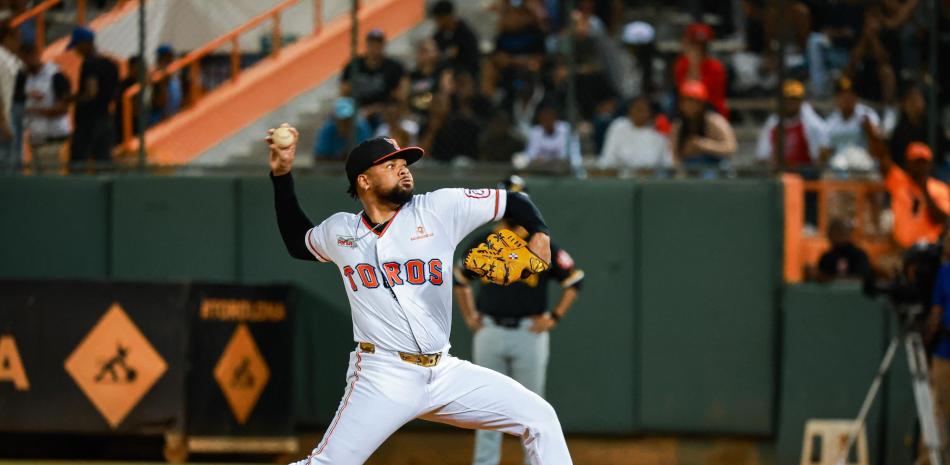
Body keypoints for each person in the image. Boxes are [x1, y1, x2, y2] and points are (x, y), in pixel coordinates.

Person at [267, 127, 573, 465]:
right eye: (390, 164)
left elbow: (513, 200)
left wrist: (540, 234)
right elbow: (298, 242)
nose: (403, 168)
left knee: (540, 419)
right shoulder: (341, 231)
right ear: (364, 181)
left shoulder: (439, 208)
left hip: (444, 372)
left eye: (404, 163)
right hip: (382, 375)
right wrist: (281, 175)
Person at [454, 176, 584, 465]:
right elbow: (459, 278)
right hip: (490, 329)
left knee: (534, 411)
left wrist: (555, 316)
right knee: (484, 408)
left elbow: (574, 280)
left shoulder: (540, 242)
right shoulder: (486, 240)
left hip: (529, 332)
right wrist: (469, 315)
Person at [868, 135, 949, 249]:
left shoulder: (940, 188)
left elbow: (941, 219)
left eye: (923, 162)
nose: (920, 167)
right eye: (916, 162)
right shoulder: (899, 181)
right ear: (908, 163)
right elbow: (882, 159)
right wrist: (872, 135)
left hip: (929, 250)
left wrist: (925, 190)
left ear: (929, 165)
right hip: (902, 249)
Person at [67, 27, 119, 170]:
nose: (76, 50)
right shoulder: (111, 64)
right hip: (106, 117)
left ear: (85, 44)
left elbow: (91, 92)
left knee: (78, 162)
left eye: (77, 45)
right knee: (104, 162)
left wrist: (71, 99)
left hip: (88, 121)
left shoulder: (89, 63)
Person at [16, 42, 70, 173]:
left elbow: (62, 109)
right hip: (35, 141)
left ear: (33, 56)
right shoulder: (25, 78)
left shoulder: (55, 76)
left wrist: (32, 110)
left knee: (52, 182)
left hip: (53, 139)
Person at [756, 79, 829, 168]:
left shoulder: (812, 122)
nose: (791, 103)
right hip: (779, 175)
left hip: (805, 174)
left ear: (801, 101)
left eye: (794, 99)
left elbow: (822, 153)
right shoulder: (773, 123)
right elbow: (762, 156)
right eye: (787, 99)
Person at [669, 80, 736, 175]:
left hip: (715, 165)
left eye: (694, 101)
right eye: (686, 101)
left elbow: (731, 147)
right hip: (689, 168)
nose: (690, 105)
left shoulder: (714, 121)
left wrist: (703, 145)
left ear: (702, 104)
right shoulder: (678, 126)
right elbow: (674, 155)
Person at [340, 29, 405, 119]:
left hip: (384, 112)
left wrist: (375, 109)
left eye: (378, 45)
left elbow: (399, 96)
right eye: (372, 45)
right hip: (357, 111)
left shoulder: (394, 67)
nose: (375, 48)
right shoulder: (354, 66)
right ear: (366, 45)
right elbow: (344, 93)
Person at [599, 96, 672, 173]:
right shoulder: (618, 126)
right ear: (630, 110)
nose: (638, 113)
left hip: (650, 180)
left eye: (643, 110)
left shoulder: (658, 133)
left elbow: (667, 163)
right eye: (636, 109)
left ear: (650, 113)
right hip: (621, 178)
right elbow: (607, 158)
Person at [672, 23, 728, 118]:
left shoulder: (716, 67)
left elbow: (702, 95)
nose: (699, 50)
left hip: (712, 113)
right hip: (685, 113)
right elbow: (684, 93)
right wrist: (692, 66)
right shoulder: (681, 65)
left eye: (702, 46)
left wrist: (695, 66)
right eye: (694, 45)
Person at [824, 76, 880, 171]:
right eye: (843, 94)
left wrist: (870, 131)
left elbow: (878, 146)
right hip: (839, 169)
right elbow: (826, 150)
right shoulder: (831, 121)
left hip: (864, 167)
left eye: (850, 94)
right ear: (837, 98)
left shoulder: (867, 114)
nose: (847, 98)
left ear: (856, 97)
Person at [430, 0, 481, 79]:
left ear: (448, 16)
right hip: (442, 76)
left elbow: (473, 61)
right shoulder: (438, 36)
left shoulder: (466, 34)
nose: (438, 22)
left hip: (465, 76)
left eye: (439, 18)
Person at [523, 103, 581, 170]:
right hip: (540, 168)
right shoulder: (535, 132)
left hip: (560, 169)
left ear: (554, 117)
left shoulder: (565, 129)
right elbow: (531, 155)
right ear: (540, 119)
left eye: (549, 117)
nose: (547, 120)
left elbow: (564, 155)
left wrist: (545, 159)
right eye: (544, 118)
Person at [813, 217, 872, 282]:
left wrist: (830, 279)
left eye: (839, 231)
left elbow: (861, 279)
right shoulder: (827, 257)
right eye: (831, 232)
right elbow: (819, 279)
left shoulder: (858, 255)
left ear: (847, 234)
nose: (832, 236)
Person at [313, 96, 371, 161]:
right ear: (336, 119)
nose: (344, 123)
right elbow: (318, 156)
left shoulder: (362, 128)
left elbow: (368, 157)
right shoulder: (328, 129)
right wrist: (339, 158)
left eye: (347, 120)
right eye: (341, 120)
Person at [889, 85, 929, 169]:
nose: (915, 103)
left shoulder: (932, 128)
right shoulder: (899, 132)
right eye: (911, 99)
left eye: (918, 99)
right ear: (904, 103)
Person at [0, 23, 20, 171]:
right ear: (7, 38)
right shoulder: (3, 60)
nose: (19, 43)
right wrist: (2, 121)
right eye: (17, 39)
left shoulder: (10, 59)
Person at [149, 44, 182, 125]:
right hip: (159, 117)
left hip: (173, 115)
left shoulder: (174, 75)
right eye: (161, 58)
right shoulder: (156, 76)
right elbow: (158, 101)